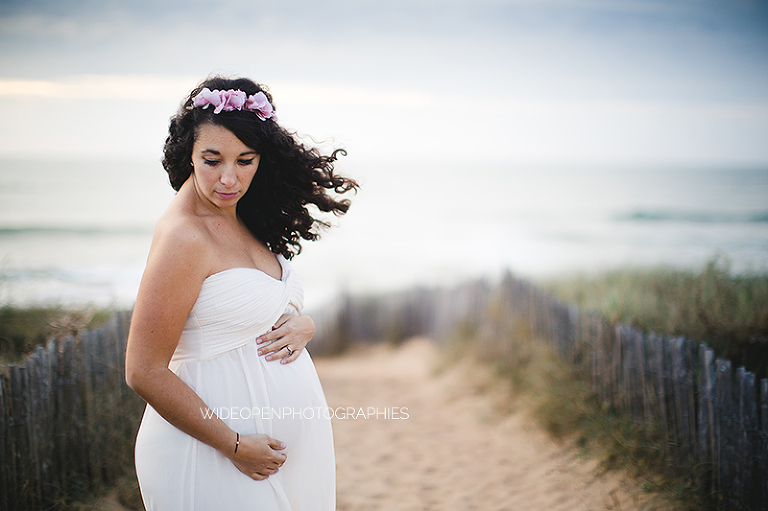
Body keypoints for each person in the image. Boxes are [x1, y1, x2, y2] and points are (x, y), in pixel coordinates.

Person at [125, 76, 357, 510]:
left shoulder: (240, 215)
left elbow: (254, 305)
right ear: (188, 157)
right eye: (212, 160)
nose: (228, 178)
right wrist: (232, 445)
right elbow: (143, 371)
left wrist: (301, 325)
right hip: (214, 454)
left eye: (244, 160)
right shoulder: (184, 237)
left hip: (268, 455)